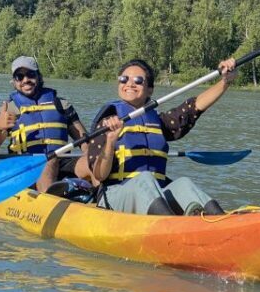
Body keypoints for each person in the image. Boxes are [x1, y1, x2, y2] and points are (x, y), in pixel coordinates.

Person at [87, 57, 237, 216]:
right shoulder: (107, 122)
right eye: (124, 79)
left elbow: (193, 108)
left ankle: (219, 220)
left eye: (138, 80)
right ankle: (170, 226)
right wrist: (110, 141)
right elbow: (99, 175)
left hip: (155, 194)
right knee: (144, 178)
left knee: (184, 183)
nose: (129, 84)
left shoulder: (158, 122)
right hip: (114, 197)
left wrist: (225, 82)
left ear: (150, 90)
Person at [0, 56, 90, 193]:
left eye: (30, 74)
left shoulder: (61, 104)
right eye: (19, 76)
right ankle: (48, 204)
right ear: (14, 82)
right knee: (47, 161)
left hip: (61, 162)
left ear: (38, 76)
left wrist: (92, 155)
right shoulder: (8, 111)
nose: (25, 80)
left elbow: (85, 141)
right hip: (26, 168)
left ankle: (103, 203)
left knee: (92, 162)